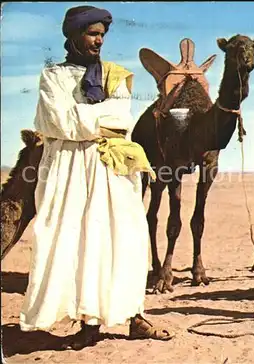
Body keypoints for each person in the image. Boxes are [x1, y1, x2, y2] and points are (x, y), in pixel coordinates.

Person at [19, 5, 173, 350]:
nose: (99, 41)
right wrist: (94, 121)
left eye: (102, 35)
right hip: (68, 169)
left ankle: (134, 316)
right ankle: (89, 322)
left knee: (126, 237)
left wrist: (84, 120)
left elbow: (120, 119)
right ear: (74, 35)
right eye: (92, 34)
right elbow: (57, 121)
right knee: (78, 240)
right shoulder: (53, 77)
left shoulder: (116, 75)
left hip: (110, 165)